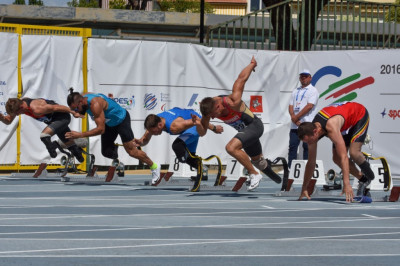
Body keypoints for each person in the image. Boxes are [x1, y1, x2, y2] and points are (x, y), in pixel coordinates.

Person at [196, 56, 282, 191]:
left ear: (218, 107)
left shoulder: (232, 102)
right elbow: (202, 133)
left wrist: (252, 64)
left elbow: (241, 79)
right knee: (259, 162)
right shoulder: (208, 111)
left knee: (230, 148)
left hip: (254, 126)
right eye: (210, 117)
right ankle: (280, 182)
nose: (212, 118)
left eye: (214, 115)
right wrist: (203, 125)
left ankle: (254, 174)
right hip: (246, 133)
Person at [66, 88, 160, 181]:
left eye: (76, 109)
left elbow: (100, 129)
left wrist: (80, 134)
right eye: (73, 110)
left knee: (132, 152)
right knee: (106, 152)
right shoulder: (84, 97)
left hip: (121, 120)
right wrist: (79, 112)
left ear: (81, 101)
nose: (76, 111)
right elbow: (89, 104)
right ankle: (121, 157)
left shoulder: (95, 105)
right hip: (109, 124)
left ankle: (154, 167)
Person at [297, 101, 374, 202]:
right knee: (336, 158)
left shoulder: (331, 126)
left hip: (359, 115)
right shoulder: (311, 131)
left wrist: (346, 183)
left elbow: (344, 157)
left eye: (309, 140)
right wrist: (304, 188)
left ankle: (370, 176)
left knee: (354, 153)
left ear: (315, 132)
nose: (309, 143)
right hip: (344, 123)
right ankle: (363, 180)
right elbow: (311, 162)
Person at [134, 107, 223, 187]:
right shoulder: (154, 120)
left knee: (177, 146)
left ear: (160, 125)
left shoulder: (174, 126)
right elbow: (145, 139)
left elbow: (198, 121)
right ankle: (202, 168)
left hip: (195, 126)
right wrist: (140, 142)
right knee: (187, 157)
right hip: (187, 127)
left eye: (154, 132)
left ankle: (199, 165)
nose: (153, 134)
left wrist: (214, 128)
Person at [1, 97, 84, 162]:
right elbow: (8, 121)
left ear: (21, 107)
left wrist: (73, 112)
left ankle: (55, 146)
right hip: (54, 122)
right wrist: (1, 117)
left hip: (62, 118)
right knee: (76, 152)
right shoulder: (19, 104)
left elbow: (56, 107)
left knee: (44, 135)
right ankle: (80, 155)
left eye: (17, 113)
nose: (17, 115)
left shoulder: (37, 108)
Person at [287, 69, 319, 168]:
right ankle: (290, 169)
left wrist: (296, 117)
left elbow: (309, 106)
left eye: (305, 76)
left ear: (310, 78)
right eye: (301, 76)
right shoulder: (295, 90)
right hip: (294, 125)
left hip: (307, 124)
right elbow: (290, 105)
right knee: (292, 147)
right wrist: (293, 117)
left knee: (307, 147)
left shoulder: (313, 90)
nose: (303, 78)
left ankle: (306, 169)